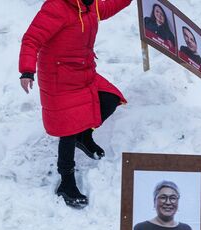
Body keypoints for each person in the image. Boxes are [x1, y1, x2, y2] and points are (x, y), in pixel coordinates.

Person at [19, 0, 132, 208]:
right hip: (58, 77)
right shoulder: (56, 8)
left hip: (82, 72)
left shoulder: (89, 5)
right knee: (68, 127)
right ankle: (67, 181)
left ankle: (84, 135)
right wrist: (27, 70)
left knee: (109, 99)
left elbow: (108, 8)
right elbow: (31, 39)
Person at [133, 181, 199, 230]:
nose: (168, 202)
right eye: (163, 197)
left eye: (173, 198)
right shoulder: (140, 229)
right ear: (154, 201)